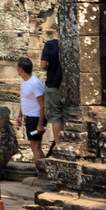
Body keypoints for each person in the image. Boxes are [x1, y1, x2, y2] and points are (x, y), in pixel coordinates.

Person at [16, 57, 46, 164]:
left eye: (17, 67)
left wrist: (40, 124)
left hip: (36, 118)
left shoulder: (35, 83)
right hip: (29, 117)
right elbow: (24, 99)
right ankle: (42, 170)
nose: (16, 68)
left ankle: (39, 172)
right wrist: (20, 115)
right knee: (34, 147)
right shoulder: (24, 81)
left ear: (21, 68)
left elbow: (42, 104)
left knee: (36, 146)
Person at [40, 26, 64, 156]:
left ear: (57, 30)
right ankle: (67, 144)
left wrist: (51, 69)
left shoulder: (50, 44)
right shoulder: (71, 44)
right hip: (68, 86)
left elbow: (43, 65)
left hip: (53, 85)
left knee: (56, 117)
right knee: (66, 116)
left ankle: (59, 147)